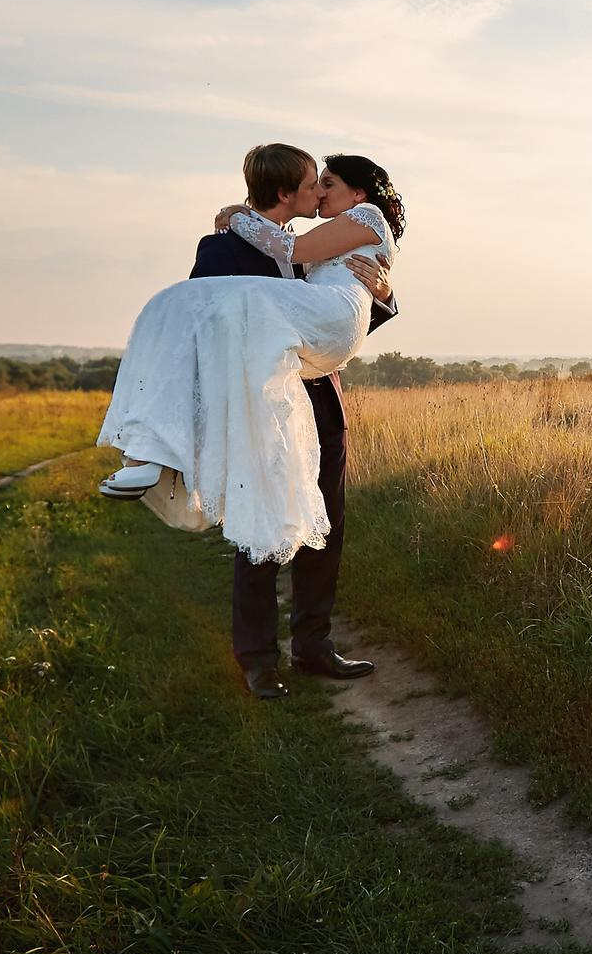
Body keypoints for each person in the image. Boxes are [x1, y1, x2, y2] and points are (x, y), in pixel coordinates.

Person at [94, 144, 408, 698]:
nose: (318, 194)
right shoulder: (221, 247)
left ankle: (314, 644)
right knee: (257, 513)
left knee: (327, 521)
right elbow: (204, 330)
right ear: (286, 192)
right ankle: (258, 659)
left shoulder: (327, 238)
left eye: (326, 184)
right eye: (312, 185)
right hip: (257, 399)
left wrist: (384, 294)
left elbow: (341, 305)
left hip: (320, 395)